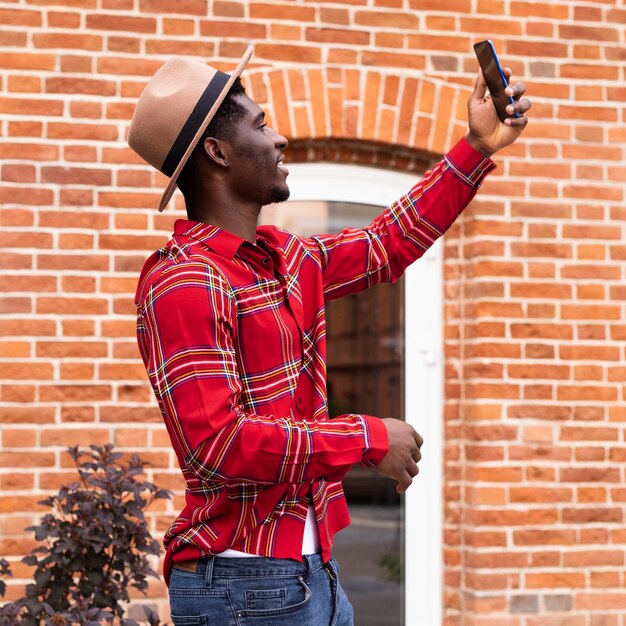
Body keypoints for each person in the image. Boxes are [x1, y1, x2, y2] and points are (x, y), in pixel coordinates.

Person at [128, 46, 530, 626]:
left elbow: (389, 242)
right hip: (243, 582)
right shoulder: (186, 279)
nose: (280, 139)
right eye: (261, 124)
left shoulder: (286, 259)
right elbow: (217, 443)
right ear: (217, 152)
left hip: (308, 571)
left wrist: (478, 147)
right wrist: (365, 438)